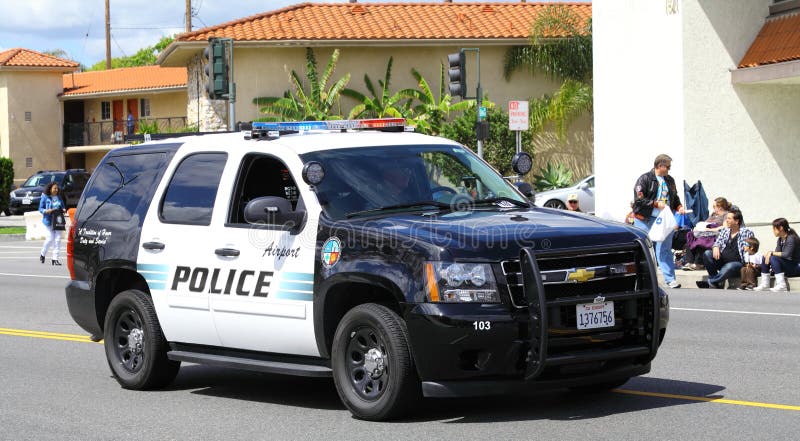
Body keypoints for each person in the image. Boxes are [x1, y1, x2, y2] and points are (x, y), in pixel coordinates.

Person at [633, 154, 685, 288]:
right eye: (668, 167)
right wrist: (655, 204)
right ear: (660, 166)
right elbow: (639, 200)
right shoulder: (645, 179)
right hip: (645, 219)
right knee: (644, 249)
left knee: (665, 249)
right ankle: (643, 280)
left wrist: (679, 207)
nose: (669, 169)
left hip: (664, 219)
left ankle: (670, 279)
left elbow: (675, 197)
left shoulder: (670, 180)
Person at [696, 210, 753, 288]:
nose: (726, 220)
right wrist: (715, 247)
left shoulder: (746, 232)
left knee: (729, 266)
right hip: (722, 261)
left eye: (729, 218)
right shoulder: (725, 231)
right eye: (726, 218)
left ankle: (712, 282)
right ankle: (715, 280)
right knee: (707, 254)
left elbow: (750, 248)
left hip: (737, 264)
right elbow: (718, 242)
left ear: (736, 221)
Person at [682, 197, 732, 271]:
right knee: (690, 238)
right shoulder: (713, 214)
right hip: (706, 233)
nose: (713, 208)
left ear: (720, 207)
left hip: (715, 234)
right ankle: (689, 262)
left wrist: (711, 229)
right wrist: (698, 228)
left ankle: (699, 264)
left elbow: (725, 227)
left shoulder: (726, 214)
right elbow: (705, 223)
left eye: (714, 206)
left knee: (700, 242)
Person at [753, 218, 800, 292]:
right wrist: (769, 254)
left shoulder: (791, 238)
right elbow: (776, 254)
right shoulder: (780, 239)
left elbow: (787, 254)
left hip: (795, 267)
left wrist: (771, 253)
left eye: (774, 229)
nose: (773, 231)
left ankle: (782, 285)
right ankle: (765, 284)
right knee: (766, 257)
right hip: (787, 266)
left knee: (772, 257)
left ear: (781, 228)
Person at [38, 182, 64, 266]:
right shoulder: (45, 197)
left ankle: (55, 259)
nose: (56, 190)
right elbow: (40, 209)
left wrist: (64, 209)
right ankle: (43, 254)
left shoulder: (59, 197)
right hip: (49, 220)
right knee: (50, 238)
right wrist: (46, 211)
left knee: (58, 239)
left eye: (57, 188)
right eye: (54, 188)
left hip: (58, 220)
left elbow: (62, 206)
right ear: (50, 189)